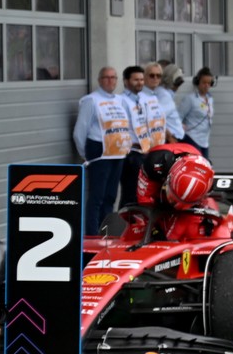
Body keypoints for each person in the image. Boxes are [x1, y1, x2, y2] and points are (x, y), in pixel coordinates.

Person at [73, 66, 135, 235]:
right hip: (99, 152)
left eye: (113, 77)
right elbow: (80, 131)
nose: (110, 80)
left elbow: (127, 125)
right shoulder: (91, 100)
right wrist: (86, 155)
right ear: (100, 80)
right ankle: (92, 234)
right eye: (106, 77)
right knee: (97, 197)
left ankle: (107, 232)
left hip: (117, 152)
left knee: (111, 196)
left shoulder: (121, 100)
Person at [119, 65, 164, 206]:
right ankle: (125, 225)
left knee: (142, 193)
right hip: (130, 154)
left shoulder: (142, 100)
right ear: (126, 81)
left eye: (141, 79)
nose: (140, 83)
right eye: (135, 80)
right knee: (130, 193)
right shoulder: (121, 100)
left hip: (144, 152)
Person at [176, 68, 215, 158]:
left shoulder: (210, 99)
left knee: (205, 166)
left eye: (209, 83)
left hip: (204, 140)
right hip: (192, 138)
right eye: (204, 82)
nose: (206, 85)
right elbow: (178, 116)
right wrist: (181, 127)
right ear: (198, 82)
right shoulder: (190, 99)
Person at [143, 62, 184, 145]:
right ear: (144, 76)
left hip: (167, 139)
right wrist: (169, 136)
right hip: (170, 140)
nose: (155, 78)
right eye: (152, 75)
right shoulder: (160, 94)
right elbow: (156, 119)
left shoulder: (155, 94)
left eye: (158, 76)